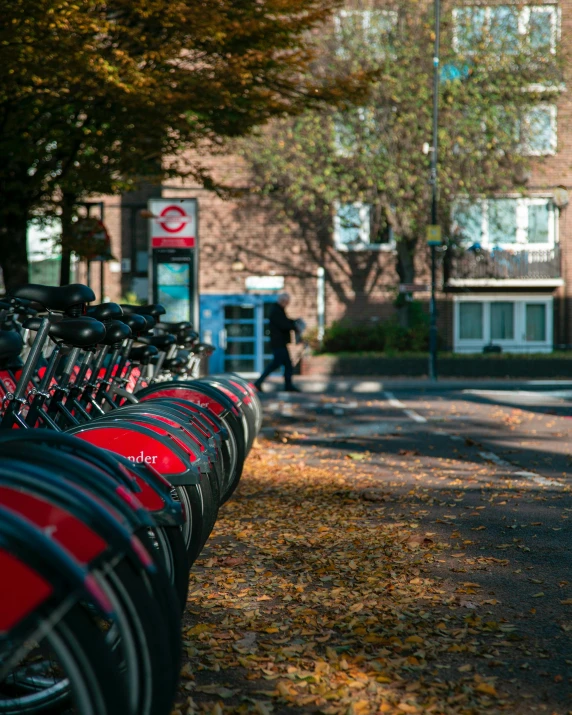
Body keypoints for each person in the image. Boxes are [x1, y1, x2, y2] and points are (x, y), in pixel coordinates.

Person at [254, 293, 301, 393]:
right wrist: (293, 326)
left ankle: (287, 385)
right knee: (276, 364)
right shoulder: (276, 310)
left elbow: (285, 321)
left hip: (280, 342)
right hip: (278, 342)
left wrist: (292, 322)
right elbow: (283, 324)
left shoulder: (278, 310)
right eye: (286, 302)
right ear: (283, 301)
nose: (287, 304)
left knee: (287, 364)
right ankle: (258, 382)